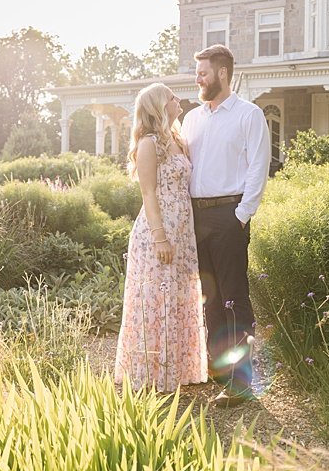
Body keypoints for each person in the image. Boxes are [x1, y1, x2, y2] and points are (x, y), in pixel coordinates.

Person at [180, 43, 270, 403]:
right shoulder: (192, 119)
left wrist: (241, 216)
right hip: (195, 217)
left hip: (229, 217)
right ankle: (220, 376)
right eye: (197, 72)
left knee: (235, 299)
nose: (197, 78)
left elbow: (258, 168)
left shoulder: (249, 115)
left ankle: (242, 383)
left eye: (202, 71)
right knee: (210, 301)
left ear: (222, 72)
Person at [114, 83, 208, 391]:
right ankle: (151, 373)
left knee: (179, 297)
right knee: (157, 300)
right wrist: (159, 237)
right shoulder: (149, 143)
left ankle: (177, 369)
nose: (177, 99)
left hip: (184, 231)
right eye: (171, 96)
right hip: (158, 232)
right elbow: (147, 192)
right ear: (158, 105)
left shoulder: (177, 140)